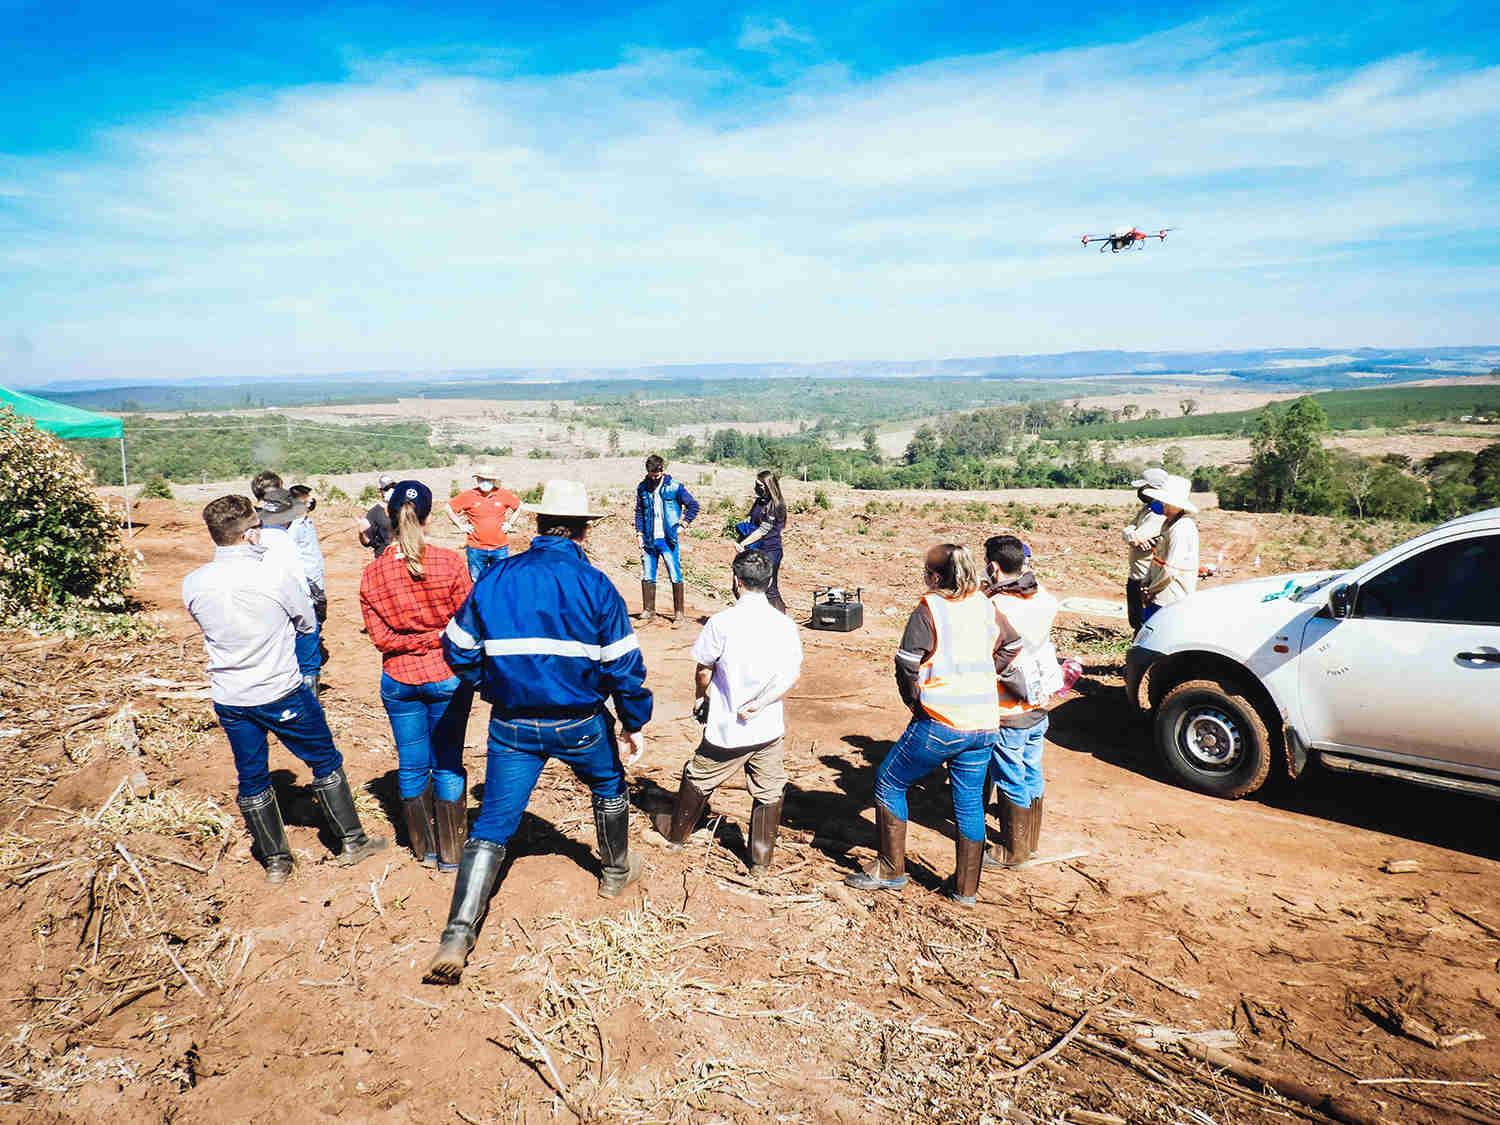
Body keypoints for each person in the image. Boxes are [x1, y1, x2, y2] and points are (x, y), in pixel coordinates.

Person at [424, 479, 653, 984]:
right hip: (582, 723)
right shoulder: (596, 586)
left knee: (491, 828)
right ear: (583, 531)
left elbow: (457, 649)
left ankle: (458, 935)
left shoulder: (497, 578)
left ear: (540, 525)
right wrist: (634, 722)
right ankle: (615, 872)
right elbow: (623, 667)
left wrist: (495, 683)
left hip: (512, 725)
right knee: (610, 788)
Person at [183, 495, 385, 883]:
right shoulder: (273, 575)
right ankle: (352, 841)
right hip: (279, 688)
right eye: (257, 526)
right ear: (247, 535)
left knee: (251, 776)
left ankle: (277, 862)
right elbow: (307, 624)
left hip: (229, 695)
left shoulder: (193, 583)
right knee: (324, 760)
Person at [845, 544, 1017, 907]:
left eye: (926, 571)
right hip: (984, 722)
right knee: (969, 801)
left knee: (890, 782)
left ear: (937, 577)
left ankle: (891, 869)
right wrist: (987, 675)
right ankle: (966, 891)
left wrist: (914, 698)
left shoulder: (930, 608)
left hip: (942, 720)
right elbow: (1012, 643)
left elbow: (907, 662)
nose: (923, 577)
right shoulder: (985, 604)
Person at [651, 550, 803, 875]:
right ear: (770, 581)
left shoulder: (721, 622)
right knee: (770, 788)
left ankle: (677, 836)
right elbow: (790, 674)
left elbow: (704, 669)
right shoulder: (785, 625)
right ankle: (760, 862)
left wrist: (699, 697)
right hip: (767, 729)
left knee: (699, 775)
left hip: (728, 728)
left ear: (736, 582)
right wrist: (761, 704)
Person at [359, 480, 475, 871]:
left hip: (399, 679)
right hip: (446, 677)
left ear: (389, 517)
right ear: (426, 516)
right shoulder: (449, 562)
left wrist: (414, 640)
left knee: (410, 766)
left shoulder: (372, 574)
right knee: (447, 763)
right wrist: (436, 637)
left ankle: (423, 850)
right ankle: (452, 854)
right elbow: (469, 625)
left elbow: (381, 639)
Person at [983, 534, 1059, 868]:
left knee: (1009, 773)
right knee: (1032, 767)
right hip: (1039, 701)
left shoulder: (995, 607)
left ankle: (1012, 850)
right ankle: (1030, 842)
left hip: (1008, 707)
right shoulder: (1044, 598)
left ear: (992, 567)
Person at [253, 486, 326, 695]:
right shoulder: (284, 541)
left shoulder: (256, 537)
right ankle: (308, 704)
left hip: (263, 609)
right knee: (308, 661)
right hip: (291, 605)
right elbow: (299, 584)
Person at [634, 454, 701, 628]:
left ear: (662, 470)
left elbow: (693, 505)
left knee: (674, 574)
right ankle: (649, 611)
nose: (655, 476)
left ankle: (679, 614)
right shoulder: (642, 488)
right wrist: (639, 534)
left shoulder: (675, 486)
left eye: (657, 473)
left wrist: (683, 524)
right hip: (649, 539)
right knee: (648, 574)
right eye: (652, 473)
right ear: (647, 472)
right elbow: (639, 512)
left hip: (668, 539)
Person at [1141, 475, 1200, 625]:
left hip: (1169, 597)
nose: (1159, 504)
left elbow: (1171, 569)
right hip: (1157, 593)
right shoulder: (1168, 523)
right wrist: (1145, 583)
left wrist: (1151, 590)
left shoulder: (1181, 527)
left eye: (1163, 501)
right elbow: (1157, 559)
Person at [447, 469, 522, 582]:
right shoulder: (469, 495)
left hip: (500, 548)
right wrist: (461, 526)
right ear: (477, 480)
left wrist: (510, 523)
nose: (485, 482)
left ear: (494, 481)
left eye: (488, 480)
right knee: (477, 581)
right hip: (476, 548)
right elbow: (448, 508)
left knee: (499, 581)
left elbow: (519, 506)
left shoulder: (503, 494)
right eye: (482, 479)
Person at [1121, 467, 1168, 631]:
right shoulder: (1148, 508)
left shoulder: (1157, 513)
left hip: (1145, 577)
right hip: (1137, 573)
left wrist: (1132, 534)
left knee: (1143, 623)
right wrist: (1130, 532)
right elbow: (1128, 530)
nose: (1140, 491)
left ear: (1154, 489)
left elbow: (1135, 538)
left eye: (1143, 487)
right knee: (1136, 620)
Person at [736, 470, 788, 614]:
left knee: (770, 589)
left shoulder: (776, 505)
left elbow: (762, 530)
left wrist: (743, 544)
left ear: (768, 485)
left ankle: (781, 623)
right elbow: (751, 521)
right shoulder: (760, 501)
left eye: (760, 485)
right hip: (757, 549)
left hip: (771, 551)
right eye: (756, 484)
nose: (756, 487)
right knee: (749, 587)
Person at [287, 485, 328, 625]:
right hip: (307, 579)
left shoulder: (307, 521)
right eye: (308, 497)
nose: (311, 500)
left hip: (316, 575)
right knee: (313, 615)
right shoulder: (294, 526)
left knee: (320, 612)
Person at [358, 474, 397, 557]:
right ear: (380, 491)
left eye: (393, 487)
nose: (391, 490)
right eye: (386, 489)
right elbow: (367, 542)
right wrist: (361, 533)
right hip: (385, 557)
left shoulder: (404, 508)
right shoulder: (374, 512)